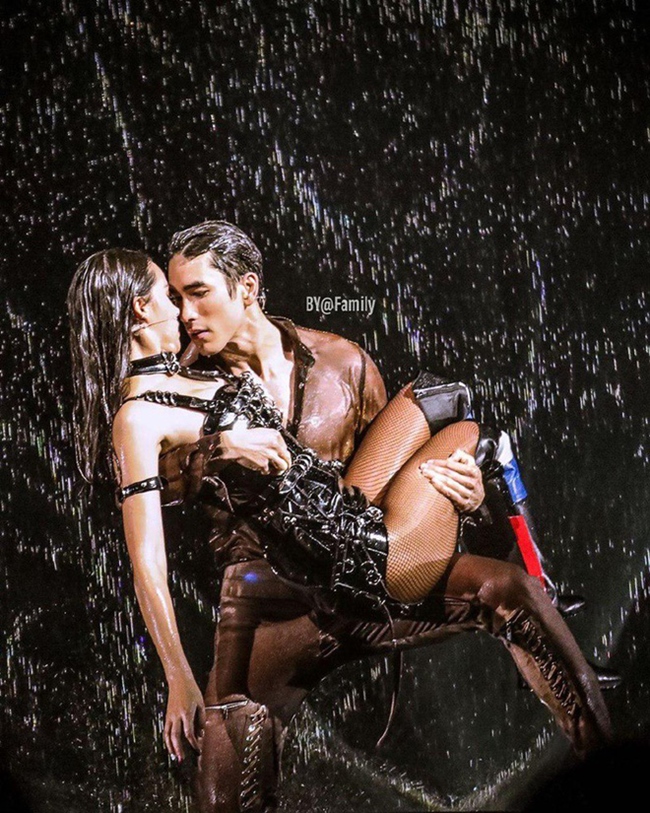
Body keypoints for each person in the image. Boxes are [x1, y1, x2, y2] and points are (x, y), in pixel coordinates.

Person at [67, 241, 610, 813]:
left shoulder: (339, 361)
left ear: (246, 289)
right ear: (139, 308)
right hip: (274, 597)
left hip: (355, 538)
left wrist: (469, 500)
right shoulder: (157, 399)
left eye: (196, 294)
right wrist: (178, 675)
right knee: (226, 796)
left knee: (449, 419)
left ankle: (601, 755)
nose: (185, 313)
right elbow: (152, 504)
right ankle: (501, 486)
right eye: (173, 296)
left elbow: (397, 477)